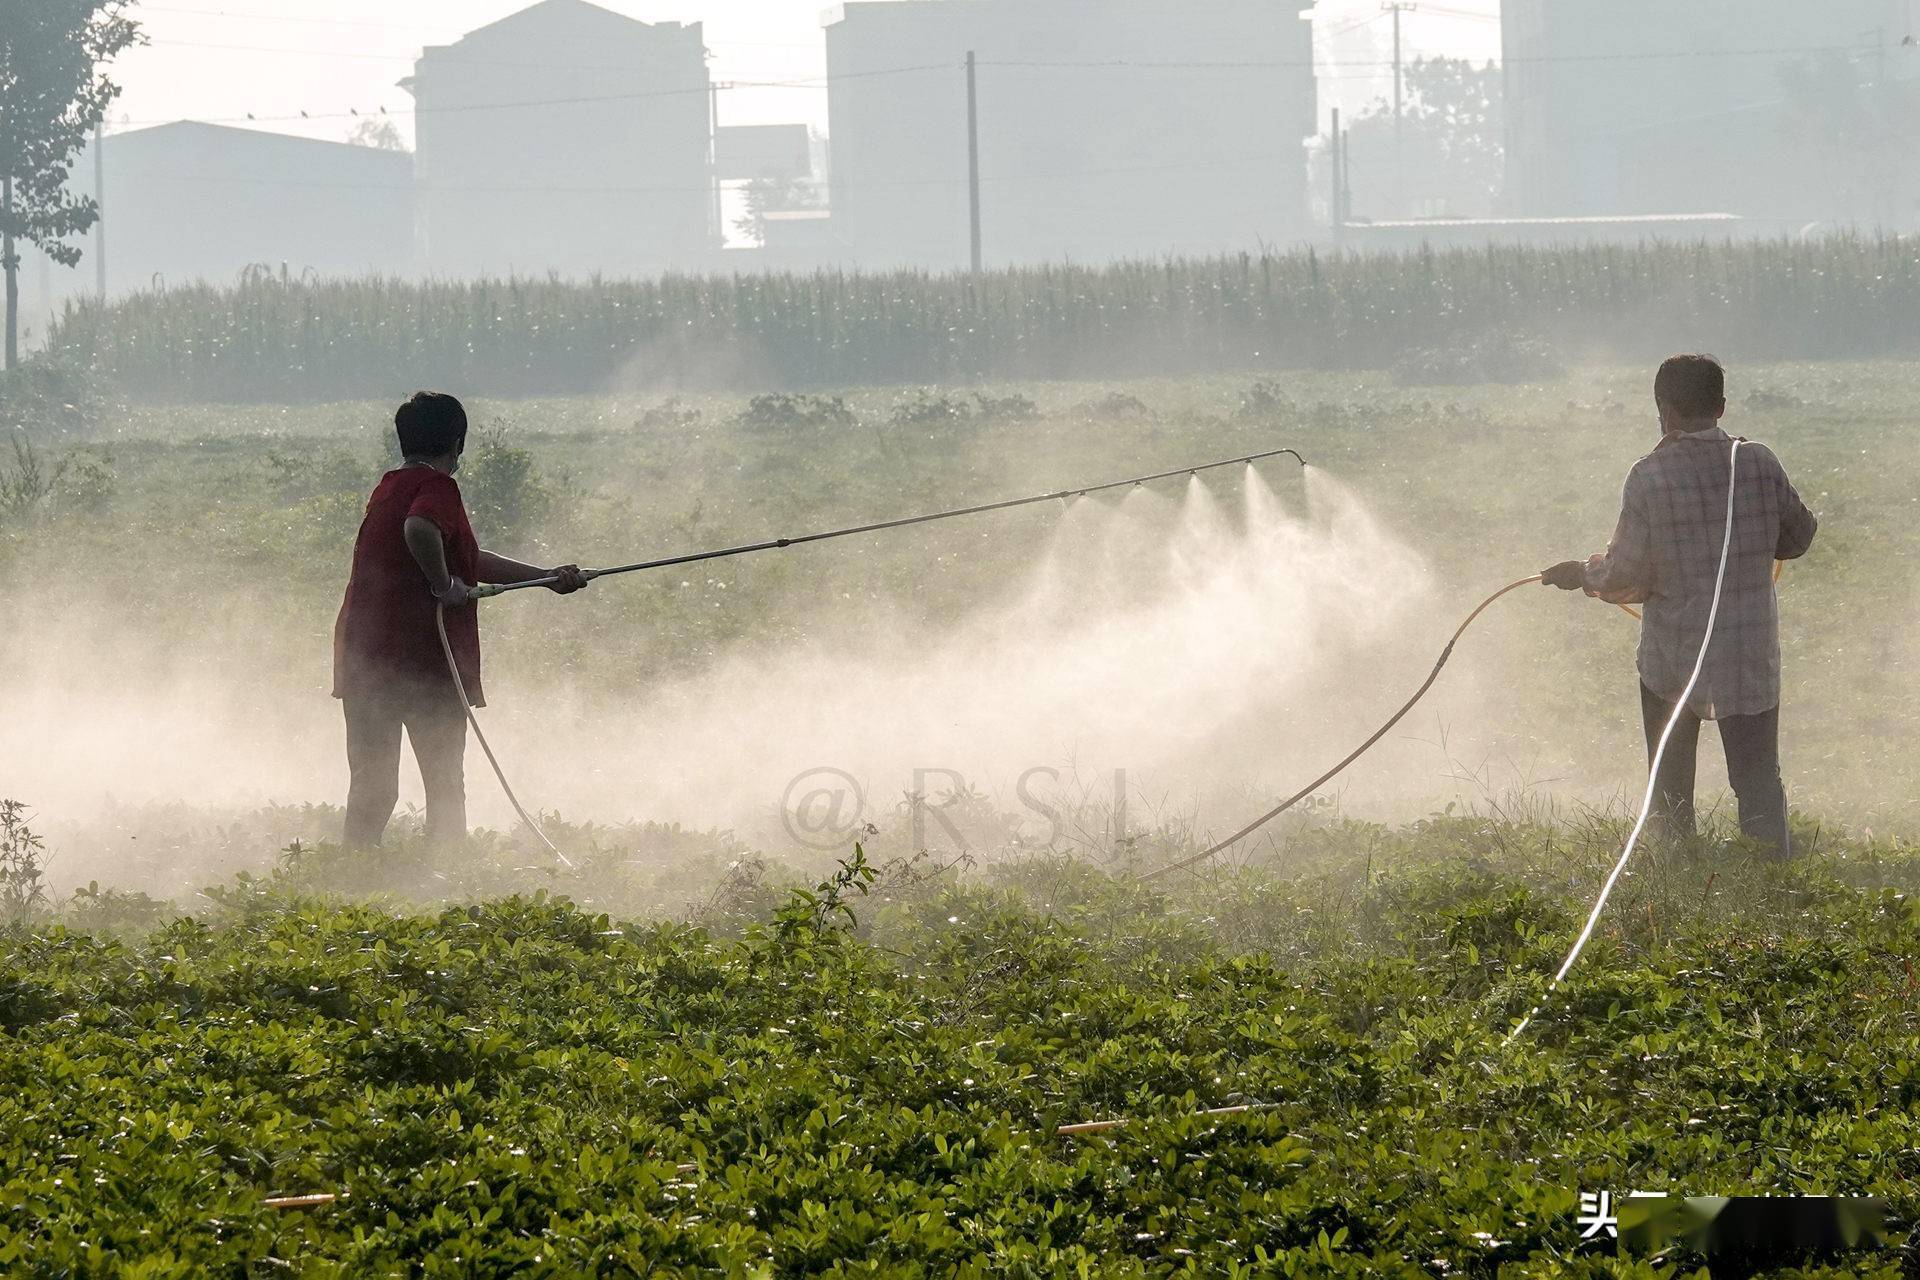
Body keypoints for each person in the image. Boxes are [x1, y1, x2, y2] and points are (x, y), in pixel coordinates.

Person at [1541, 354, 1817, 855]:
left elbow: (1623, 573)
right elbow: (1799, 538)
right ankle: (1772, 871)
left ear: (1662, 409)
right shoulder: (1758, 461)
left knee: (1669, 791)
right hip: (1749, 655)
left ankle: (1676, 871)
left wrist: (1581, 574)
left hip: (1674, 660)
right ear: (1721, 406)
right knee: (1757, 782)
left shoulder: (1649, 476)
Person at [333, 391, 589, 848]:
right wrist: (442, 585)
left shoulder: (390, 485)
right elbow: (420, 529)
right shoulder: (437, 487)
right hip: (423, 661)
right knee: (445, 782)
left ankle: (350, 872)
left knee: (373, 787)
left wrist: (546, 577)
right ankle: (446, 880)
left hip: (365, 658)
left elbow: (468, 559)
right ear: (458, 442)